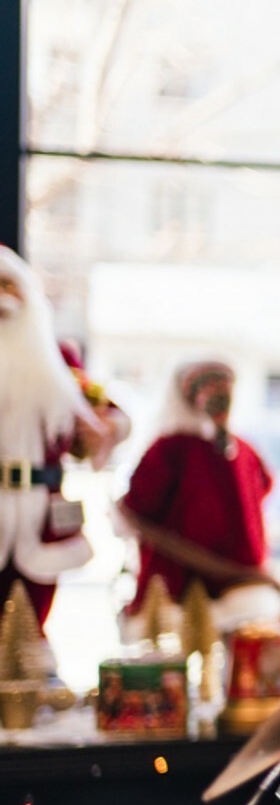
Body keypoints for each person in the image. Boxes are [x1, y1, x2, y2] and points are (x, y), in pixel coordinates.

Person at [0, 247, 127, 627]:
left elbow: (108, 413)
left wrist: (104, 431)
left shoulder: (58, 361)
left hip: (42, 508)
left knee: (31, 613)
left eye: (10, 285)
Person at [119, 361, 278, 637]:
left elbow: (139, 503)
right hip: (223, 585)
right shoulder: (237, 450)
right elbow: (266, 487)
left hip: (197, 586)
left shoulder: (175, 449)